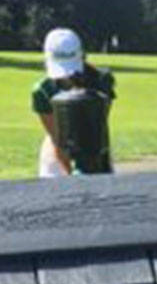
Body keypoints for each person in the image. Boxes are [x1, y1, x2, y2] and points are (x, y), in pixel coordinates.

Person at [31, 28, 115, 176]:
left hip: (95, 142)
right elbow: (57, 139)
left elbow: (98, 126)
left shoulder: (102, 81)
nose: (67, 77)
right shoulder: (42, 90)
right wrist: (70, 175)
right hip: (57, 148)